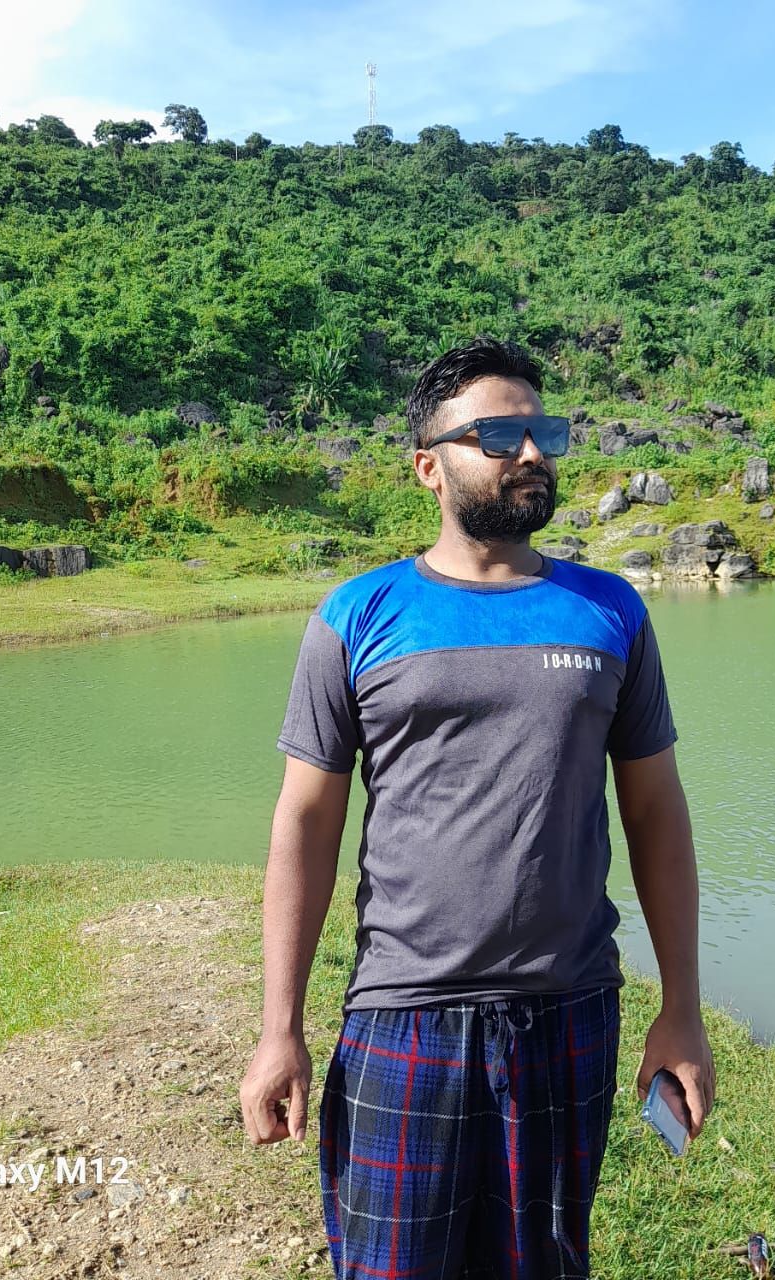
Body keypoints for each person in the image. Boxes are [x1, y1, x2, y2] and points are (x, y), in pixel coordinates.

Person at [239, 337, 714, 1278]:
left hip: (569, 1010)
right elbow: (306, 825)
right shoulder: (358, 615)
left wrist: (683, 1010)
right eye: (498, 435)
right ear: (429, 466)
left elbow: (657, 813)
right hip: (404, 1015)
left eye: (544, 432)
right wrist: (279, 1027)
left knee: (545, 1265)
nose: (530, 453)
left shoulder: (610, 610)